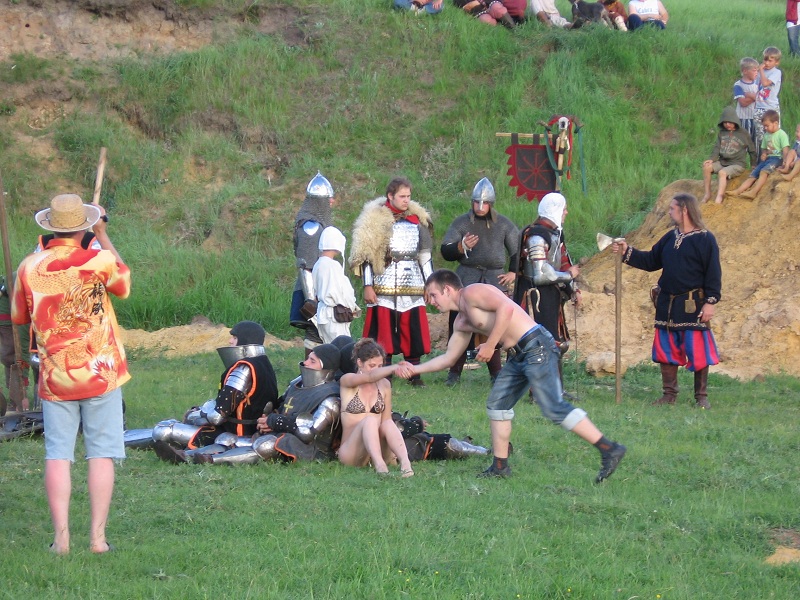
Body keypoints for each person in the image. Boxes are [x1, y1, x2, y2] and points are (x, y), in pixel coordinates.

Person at [397, 269, 627, 482]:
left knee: (552, 407)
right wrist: (415, 369)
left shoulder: (473, 292)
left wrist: (490, 345)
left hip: (536, 346)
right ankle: (500, 467)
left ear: (447, 289)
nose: (431, 302)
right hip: (518, 356)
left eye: (433, 295)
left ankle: (610, 449)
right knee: (497, 405)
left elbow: (506, 308)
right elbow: (448, 358)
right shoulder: (461, 321)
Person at [11, 193, 130, 555]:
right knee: (101, 454)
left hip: (55, 375)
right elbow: (124, 285)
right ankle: (97, 539)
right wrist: (103, 235)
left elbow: (18, 316)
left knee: (58, 455)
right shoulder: (99, 259)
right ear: (85, 227)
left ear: (50, 228)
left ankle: (61, 539)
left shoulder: (29, 266)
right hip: (101, 372)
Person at [611, 193, 721, 409]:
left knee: (697, 350)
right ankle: (669, 395)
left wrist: (711, 301)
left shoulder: (705, 239)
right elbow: (651, 260)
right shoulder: (671, 237)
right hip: (667, 304)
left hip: (692, 304)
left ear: (684, 210)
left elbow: (713, 273)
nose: (669, 212)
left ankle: (701, 397)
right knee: (666, 350)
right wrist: (627, 252)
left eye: (672, 209)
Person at [149, 321, 279, 461]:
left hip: (236, 434)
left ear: (245, 341)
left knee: (164, 429)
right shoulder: (264, 364)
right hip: (256, 433)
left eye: (234, 338)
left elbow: (217, 416)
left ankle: (185, 454)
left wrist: (194, 415)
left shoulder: (243, 369)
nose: (230, 341)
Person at [349, 177, 434, 386]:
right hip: (383, 282)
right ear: (390, 196)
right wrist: (368, 285)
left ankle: (414, 374)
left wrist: (430, 284)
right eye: (402, 196)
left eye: (408, 196)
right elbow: (367, 256)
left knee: (412, 332)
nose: (406, 200)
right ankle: (383, 373)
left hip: (413, 281)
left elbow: (425, 256)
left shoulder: (417, 221)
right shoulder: (374, 219)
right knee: (383, 334)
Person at [440, 177, 519, 386]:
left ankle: (496, 373)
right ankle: (454, 373)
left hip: (494, 279)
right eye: (477, 202)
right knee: (460, 324)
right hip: (466, 278)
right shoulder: (462, 223)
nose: (481, 206)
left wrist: (513, 272)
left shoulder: (503, 224)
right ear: (472, 202)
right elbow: (445, 250)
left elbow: (518, 249)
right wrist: (460, 246)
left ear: (491, 203)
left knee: (492, 326)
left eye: (485, 203)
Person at [513, 193, 580, 392]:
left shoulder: (555, 234)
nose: (566, 212)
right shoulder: (536, 237)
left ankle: (555, 389)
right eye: (564, 209)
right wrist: (569, 275)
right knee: (538, 343)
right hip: (535, 297)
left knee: (555, 343)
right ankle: (538, 390)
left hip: (550, 296)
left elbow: (564, 262)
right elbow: (540, 275)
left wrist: (573, 289)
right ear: (554, 210)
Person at [337, 338, 414, 477]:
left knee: (388, 423)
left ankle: (405, 463)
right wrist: (394, 367)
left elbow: (386, 420)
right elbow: (370, 377)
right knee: (370, 420)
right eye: (372, 365)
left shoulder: (385, 384)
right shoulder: (348, 380)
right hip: (352, 452)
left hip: (378, 447)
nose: (377, 370)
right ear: (359, 363)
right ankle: (380, 466)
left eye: (380, 366)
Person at [290, 172, 335, 357]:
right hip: (314, 288)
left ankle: (320, 367)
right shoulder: (311, 227)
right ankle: (312, 369)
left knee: (322, 332)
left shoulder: (315, 223)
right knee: (315, 331)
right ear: (318, 201)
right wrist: (311, 300)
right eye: (328, 198)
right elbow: (306, 265)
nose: (332, 201)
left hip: (322, 284)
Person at [312, 227, 360, 344]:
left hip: (323, 314)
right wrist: (351, 306)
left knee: (330, 347)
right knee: (342, 348)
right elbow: (341, 292)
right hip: (334, 315)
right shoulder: (332, 266)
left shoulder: (318, 264)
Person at [701, 107, 757, 204]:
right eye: (725, 122)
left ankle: (719, 197)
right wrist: (712, 159)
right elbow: (717, 147)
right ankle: (707, 194)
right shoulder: (722, 133)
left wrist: (753, 164)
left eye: (730, 122)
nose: (727, 125)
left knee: (722, 173)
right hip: (723, 162)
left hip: (737, 164)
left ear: (735, 121)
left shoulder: (743, 134)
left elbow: (752, 150)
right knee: (707, 167)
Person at [728, 110, 789, 200]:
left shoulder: (781, 134)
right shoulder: (766, 135)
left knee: (763, 171)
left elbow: (785, 149)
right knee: (754, 173)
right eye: (764, 126)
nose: (765, 128)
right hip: (768, 158)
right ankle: (738, 191)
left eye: (767, 126)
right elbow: (764, 148)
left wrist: (785, 161)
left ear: (775, 123)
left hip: (777, 159)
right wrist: (763, 154)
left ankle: (754, 192)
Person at [0, 274, 30, 412]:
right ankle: (16, 401)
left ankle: (17, 400)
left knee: (13, 357)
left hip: (12, 319)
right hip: (9, 320)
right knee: (11, 358)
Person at [753, 47, 782, 152]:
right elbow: (754, 85)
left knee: (773, 134)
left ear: (776, 62)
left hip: (771, 107)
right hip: (759, 107)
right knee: (760, 137)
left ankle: (774, 156)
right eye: (765, 60)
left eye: (770, 61)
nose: (767, 63)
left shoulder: (776, 72)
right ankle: (761, 156)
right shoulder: (759, 73)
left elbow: (765, 83)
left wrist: (761, 70)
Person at [733, 57, 759, 146]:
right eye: (754, 70)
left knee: (756, 143)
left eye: (757, 70)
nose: (757, 73)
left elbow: (762, 98)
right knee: (743, 143)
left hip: (756, 117)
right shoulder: (738, 85)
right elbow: (743, 103)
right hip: (743, 118)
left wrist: (748, 94)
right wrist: (755, 96)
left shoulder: (758, 84)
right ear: (745, 71)